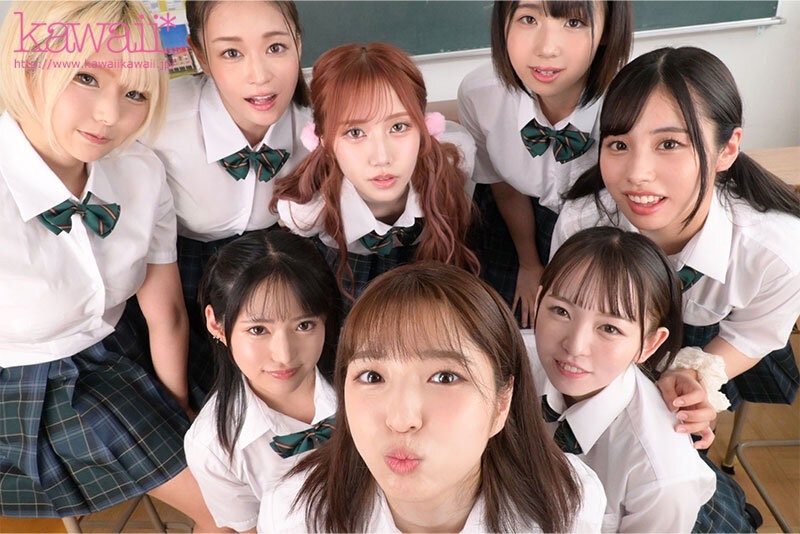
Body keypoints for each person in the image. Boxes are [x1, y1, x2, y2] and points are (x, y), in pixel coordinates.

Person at [0, 1, 216, 529]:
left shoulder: (139, 171)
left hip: (127, 348)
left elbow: (166, 313)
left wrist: (179, 411)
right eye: (86, 77)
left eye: (135, 94)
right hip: (27, 386)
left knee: (258, 447)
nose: (109, 115)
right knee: (226, 509)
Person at [259, 262, 606, 533]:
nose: (401, 420)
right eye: (373, 376)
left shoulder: (568, 501)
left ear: (502, 403)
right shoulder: (293, 515)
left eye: (445, 377)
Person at [554, 45, 800, 422]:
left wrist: (693, 374)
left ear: (727, 149)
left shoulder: (777, 251)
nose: (637, 173)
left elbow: (752, 334)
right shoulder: (583, 223)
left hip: (711, 341)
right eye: (619, 144)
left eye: (669, 144)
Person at [142, 0, 312, 393]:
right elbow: (163, 306)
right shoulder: (158, 125)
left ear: (298, 43)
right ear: (200, 55)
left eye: (276, 47)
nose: (260, 76)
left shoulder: (318, 125)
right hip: (180, 281)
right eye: (231, 53)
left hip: (280, 277)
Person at [525, 226, 715, 532]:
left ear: (649, 344)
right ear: (538, 302)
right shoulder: (507, 363)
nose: (574, 346)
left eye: (609, 328)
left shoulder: (663, 478)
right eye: (560, 311)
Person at [458, 0, 632, 326]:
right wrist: (529, 263)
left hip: (609, 229)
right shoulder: (481, 93)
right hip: (514, 217)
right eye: (528, 18)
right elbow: (503, 184)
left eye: (574, 22)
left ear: (607, 30)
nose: (546, 49)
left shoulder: (635, 101)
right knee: (494, 328)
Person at [272, 43, 479, 302]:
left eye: (399, 127)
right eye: (355, 132)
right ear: (324, 141)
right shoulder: (307, 210)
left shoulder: (453, 163)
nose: (382, 157)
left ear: (425, 129)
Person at [184, 230, 341, 531]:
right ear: (216, 324)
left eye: (304, 325)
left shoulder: (372, 384)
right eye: (258, 330)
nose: (284, 355)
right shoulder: (213, 446)